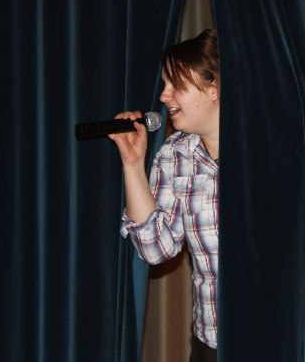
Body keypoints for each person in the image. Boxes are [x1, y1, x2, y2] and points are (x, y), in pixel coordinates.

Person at [110, 29, 220, 361]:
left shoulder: (271, 148)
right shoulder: (175, 154)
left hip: (278, 338)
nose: (164, 96)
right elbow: (156, 250)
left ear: (213, 88)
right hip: (211, 344)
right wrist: (132, 164)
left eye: (176, 84)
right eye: (164, 84)